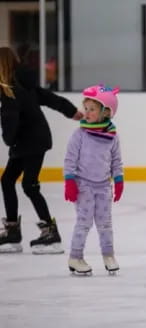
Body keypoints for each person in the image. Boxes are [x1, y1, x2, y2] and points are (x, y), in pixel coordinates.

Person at [0, 47, 83, 254]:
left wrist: (8, 140)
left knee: (29, 185)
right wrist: (71, 111)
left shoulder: (11, 90)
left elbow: (10, 119)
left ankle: (50, 234)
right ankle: (12, 231)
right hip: (31, 140)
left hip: (30, 142)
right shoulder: (23, 84)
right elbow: (50, 98)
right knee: (8, 180)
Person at [64, 84, 124, 275]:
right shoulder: (79, 135)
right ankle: (75, 256)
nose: (87, 113)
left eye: (92, 109)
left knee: (105, 223)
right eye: (86, 108)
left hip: (104, 186)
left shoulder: (112, 137)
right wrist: (70, 181)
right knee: (84, 222)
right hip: (84, 186)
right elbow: (70, 159)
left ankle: (108, 255)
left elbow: (116, 160)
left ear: (106, 112)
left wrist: (119, 180)